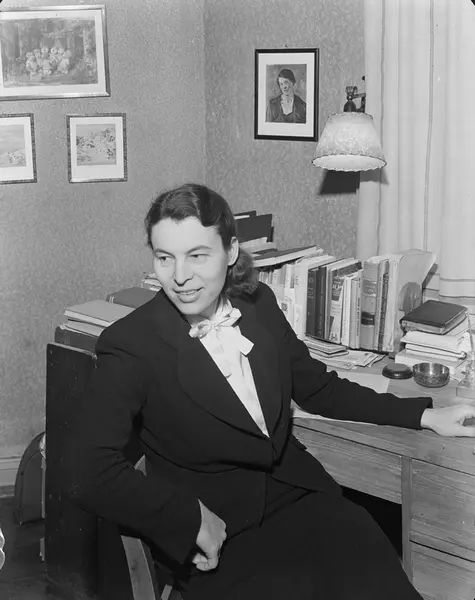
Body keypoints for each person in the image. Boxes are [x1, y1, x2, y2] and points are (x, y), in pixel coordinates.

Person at [66, 183, 475, 600]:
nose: (180, 276)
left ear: (230, 251)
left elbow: (318, 388)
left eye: (197, 255)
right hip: (217, 534)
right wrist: (187, 519)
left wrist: (423, 415)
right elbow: (83, 471)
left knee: (376, 566)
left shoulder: (258, 303)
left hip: (298, 496)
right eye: (164, 257)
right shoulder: (131, 344)